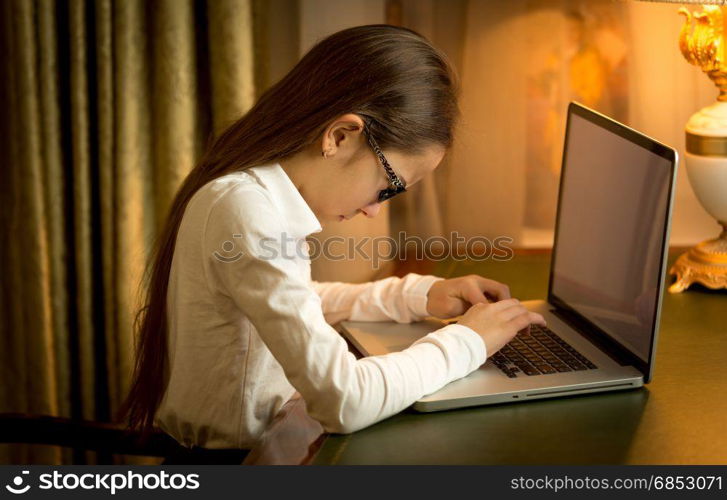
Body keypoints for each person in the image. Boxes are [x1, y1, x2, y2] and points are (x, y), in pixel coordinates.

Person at [119, 24, 546, 461]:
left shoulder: (250, 193)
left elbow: (293, 299)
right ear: (340, 136)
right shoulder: (248, 210)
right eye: (389, 186)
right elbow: (344, 400)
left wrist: (419, 294)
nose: (375, 209)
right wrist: (469, 343)